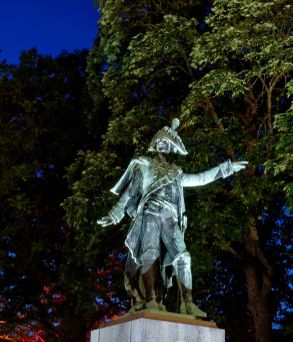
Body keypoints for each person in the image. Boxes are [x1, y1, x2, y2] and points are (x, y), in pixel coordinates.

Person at [98, 119, 246, 317]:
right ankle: (151, 301)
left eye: (165, 143)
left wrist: (226, 168)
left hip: (170, 217)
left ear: (170, 148)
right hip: (150, 212)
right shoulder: (143, 166)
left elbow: (201, 179)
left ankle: (188, 304)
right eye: (158, 141)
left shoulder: (177, 173)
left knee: (183, 256)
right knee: (150, 254)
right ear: (154, 144)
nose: (161, 145)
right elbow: (129, 195)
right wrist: (114, 214)